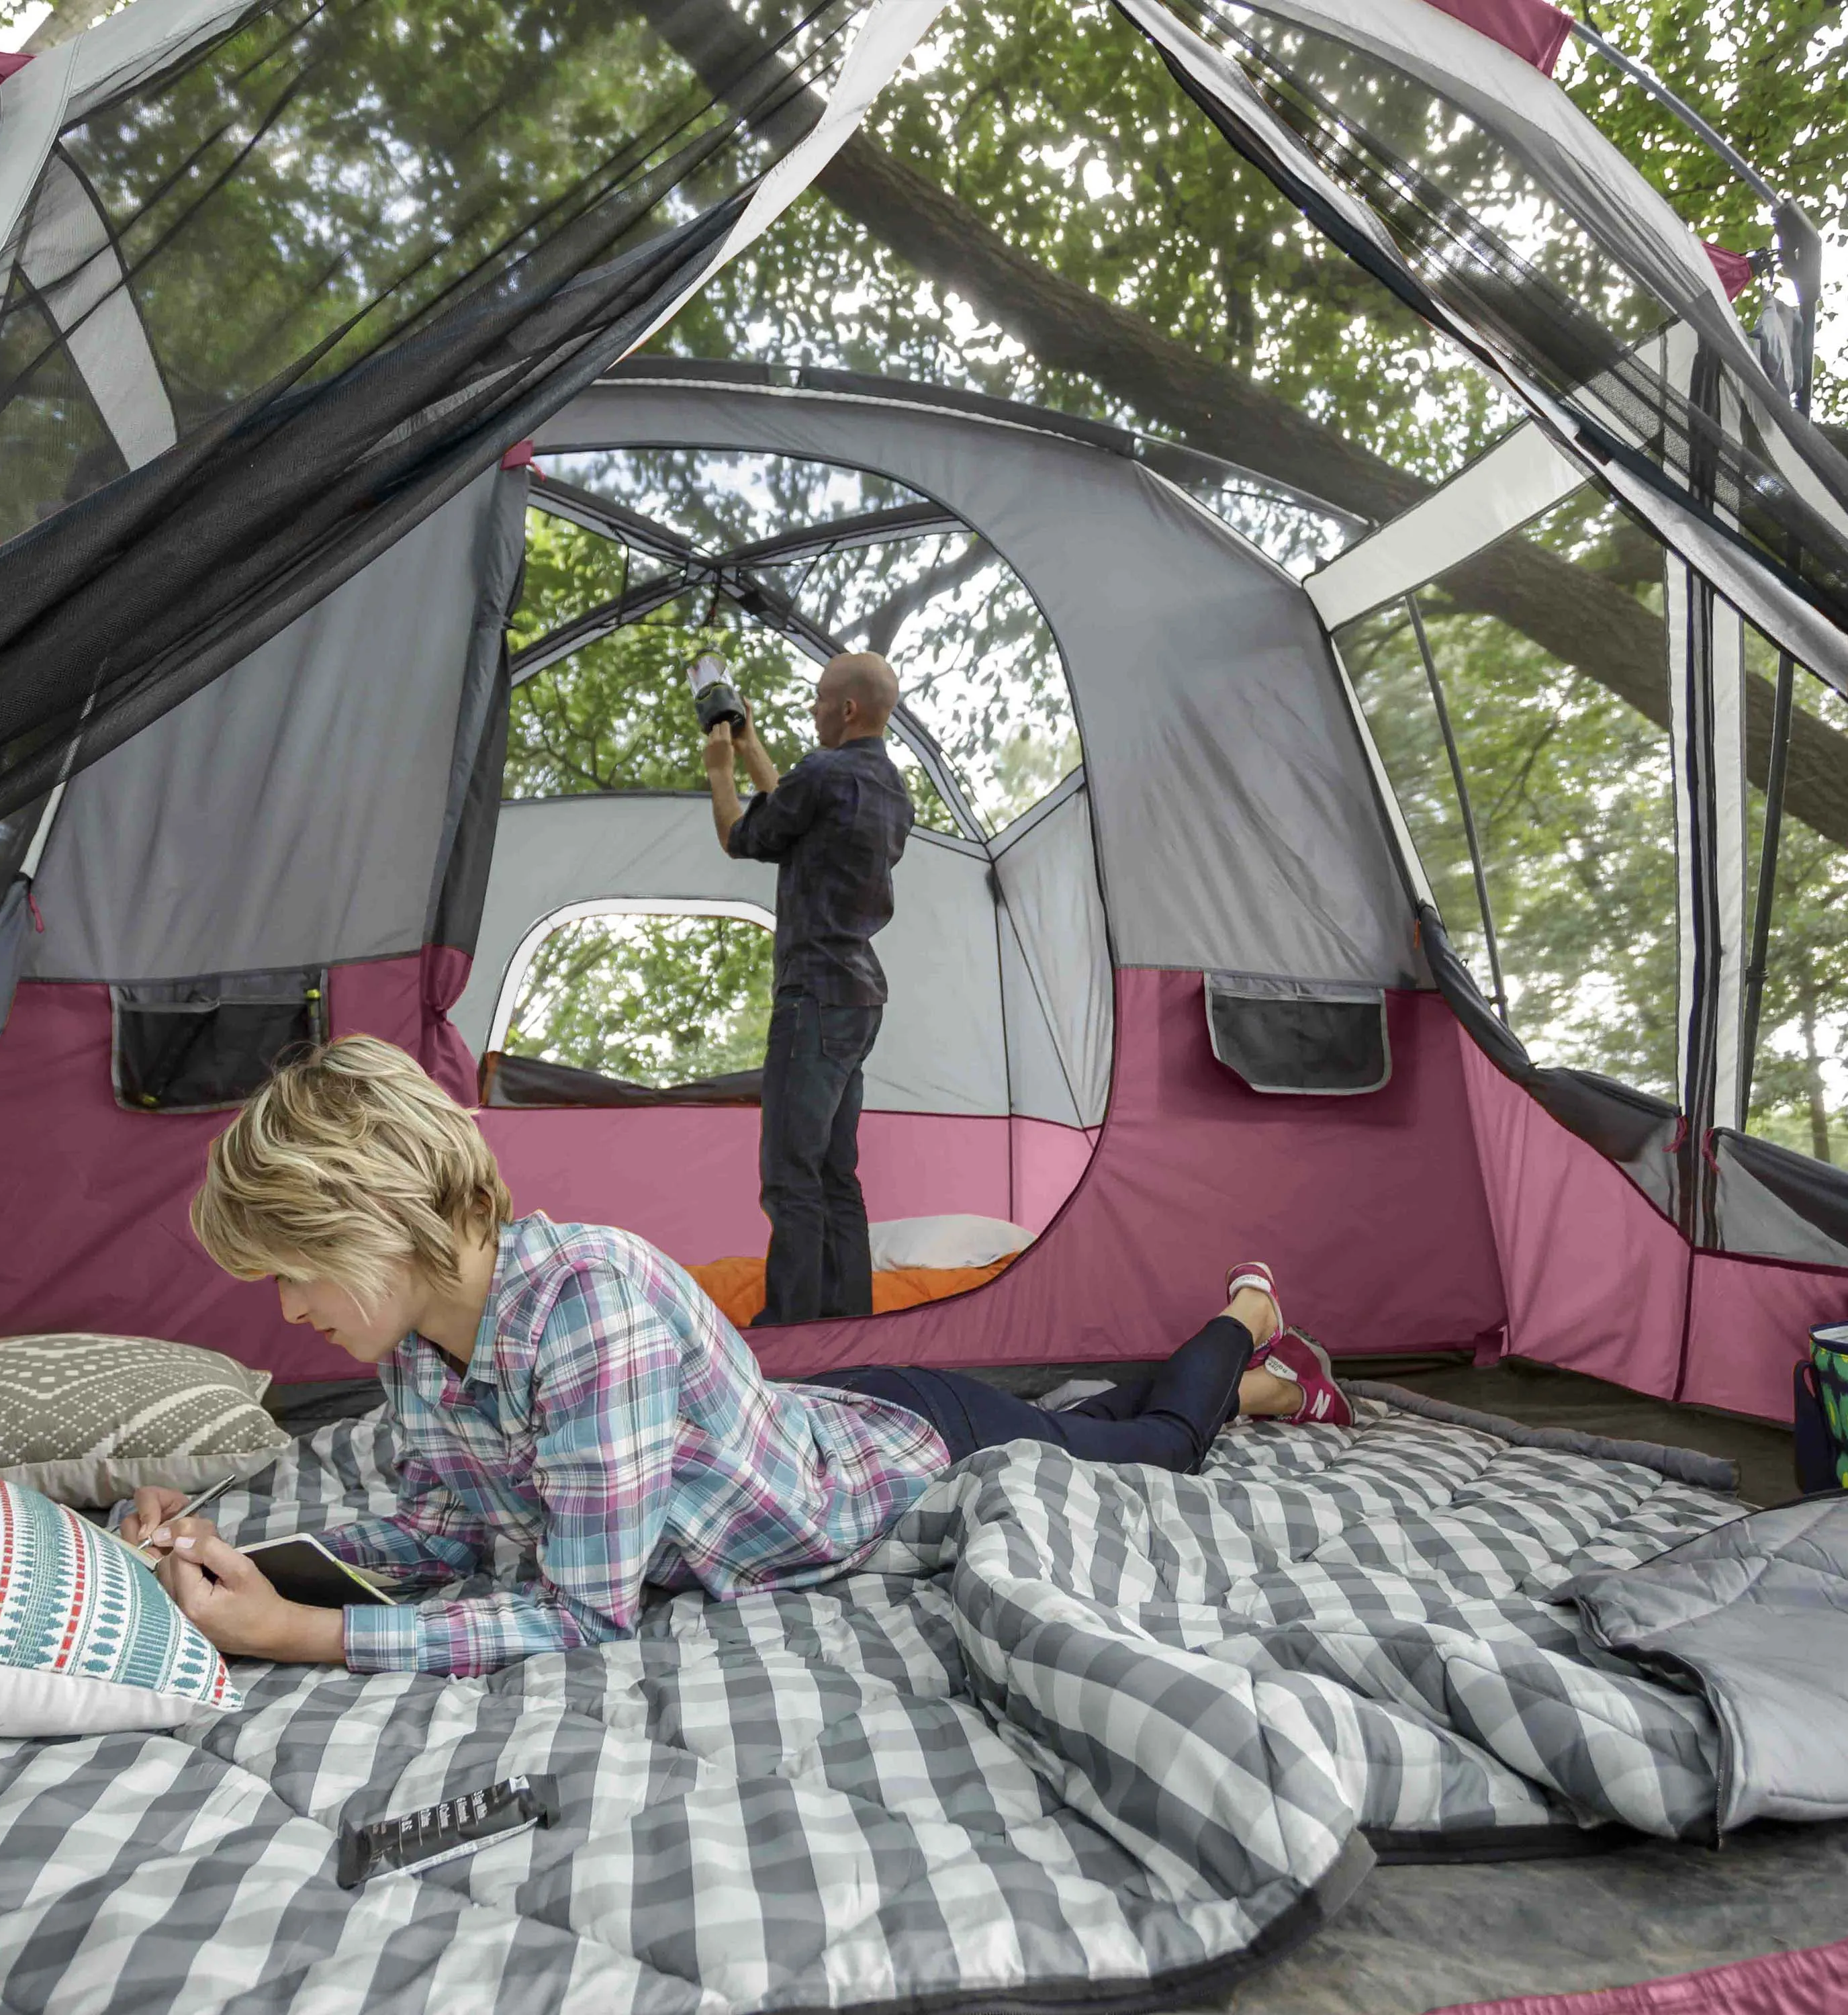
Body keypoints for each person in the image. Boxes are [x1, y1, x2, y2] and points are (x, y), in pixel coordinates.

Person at [124, 1038, 1354, 1677]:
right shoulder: (415, 1349)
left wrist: (306, 1637)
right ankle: (1247, 1387)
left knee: (1153, 1449)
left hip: (912, 1451)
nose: (286, 1311)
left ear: (386, 1222)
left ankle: (1244, 1330)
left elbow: (582, 1610)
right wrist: (265, 1567)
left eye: (297, 1266)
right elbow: (451, 1533)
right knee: (1091, 1412)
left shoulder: (588, 1309)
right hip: (828, 1415)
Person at [701, 651, 911, 1325]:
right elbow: (798, 806)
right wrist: (755, 744)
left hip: (814, 998)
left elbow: (743, 834)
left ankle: (790, 1332)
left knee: (791, 1176)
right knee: (834, 1176)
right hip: (860, 1000)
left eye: (821, 699)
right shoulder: (889, 790)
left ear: (848, 708)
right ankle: (849, 1329)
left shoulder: (823, 775)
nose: (813, 709)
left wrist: (721, 771)